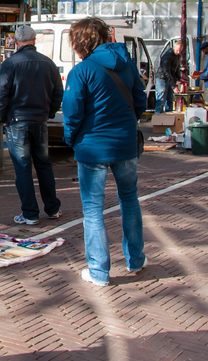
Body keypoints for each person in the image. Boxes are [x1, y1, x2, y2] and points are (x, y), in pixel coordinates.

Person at [62, 17, 147, 287]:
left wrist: (71, 139)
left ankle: (99, 271)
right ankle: (136, 259)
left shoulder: (82, 71)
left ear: (79, 42)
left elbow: (72, 112)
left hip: (92, 147)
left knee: (93, 210)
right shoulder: (128, 64)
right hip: (125, 144)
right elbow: (140, 101)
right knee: (130, 201)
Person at [0, 24, 64, 225]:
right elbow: (58, 92)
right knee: (44, 166)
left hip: (17, 121)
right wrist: (49, 112)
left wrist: (2, 117)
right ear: (34, 41)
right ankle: (53, 208)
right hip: (39, 120)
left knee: (23, 169)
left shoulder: (10, 63)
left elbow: (1, 94)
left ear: (15, 41)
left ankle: (30, 213)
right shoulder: (48, 63)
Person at [155, 40, 183, 114]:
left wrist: (180, 78)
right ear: (174, 47)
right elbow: (166, 71)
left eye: (180, 50)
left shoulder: (177, 56)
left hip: (170, 77)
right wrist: (174, 86)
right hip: (162, 78)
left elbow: (176, 68)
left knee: (169, 99)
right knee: (161, 98)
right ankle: (158, 117)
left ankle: (169, 116)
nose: (179, 52)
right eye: (177, 50)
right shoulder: (167, 56)